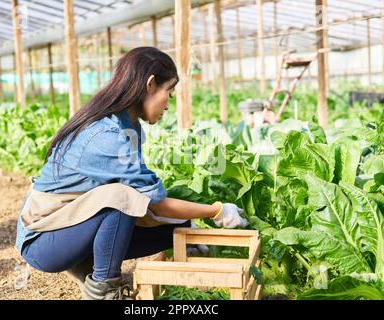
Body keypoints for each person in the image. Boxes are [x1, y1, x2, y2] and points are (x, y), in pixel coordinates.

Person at [15, 47, 248, 300]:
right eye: (168, 93)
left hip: (71, 226)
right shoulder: (107, 136)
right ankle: (103, 292)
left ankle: (85, 264)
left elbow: (149, 200)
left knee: (173, 220)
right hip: (44, 241)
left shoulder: (128, 126)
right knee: (123, 197)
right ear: (150, 85)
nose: (168, 104)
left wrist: (188, 229)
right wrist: (216, 210)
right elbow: (153, 204)